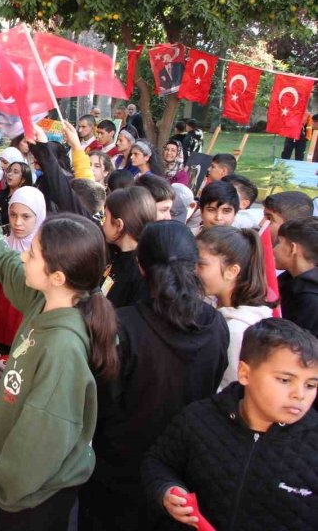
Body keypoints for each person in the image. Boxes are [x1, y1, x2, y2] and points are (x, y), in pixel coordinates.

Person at [0, 168, 119, 529]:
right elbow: (3, 260)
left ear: (58, 276)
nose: (23, 256)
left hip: (34, 493)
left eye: (33, 254)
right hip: (25, 487)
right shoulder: (46, 300)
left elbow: (40, 442)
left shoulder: (62, 347)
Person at [81, 221, 229, 530]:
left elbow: (101, 402)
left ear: (140, 266)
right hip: (180, 473)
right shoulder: (215, 325)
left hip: (119, 471)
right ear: (193, 265)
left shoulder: (122, 326)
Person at [141, 318, 318, 531]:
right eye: (285, 380)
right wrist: (167, 490)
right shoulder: (199, 419)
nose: (299, 394)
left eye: (310, 385)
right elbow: (158, 462)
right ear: (245, 373)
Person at [197, 225, 273, 389]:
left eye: (200, 265)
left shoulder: (237, 331)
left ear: (232, 271)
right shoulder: (211, 304)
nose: (192, 271)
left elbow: (228, 388)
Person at [0, 187, 46, 385]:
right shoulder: (3, 247)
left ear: (39, 216)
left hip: (33, 344)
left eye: (26, 216)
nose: (18, 222)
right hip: (2, 342)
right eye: (13, 215)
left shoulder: (48, 254)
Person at [101, 187, 157, 308]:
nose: (102, 223)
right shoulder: (114, 252)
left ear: (118, 225)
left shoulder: (139, 272)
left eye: (105, 217)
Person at [275, 217, 318, 337]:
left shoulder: (310, 298)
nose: (273, 250)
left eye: (278, 243)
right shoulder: (289, 280)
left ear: (292, 248)